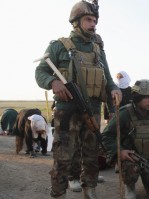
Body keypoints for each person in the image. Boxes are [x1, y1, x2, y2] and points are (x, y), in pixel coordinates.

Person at [35, 1, 122, 198]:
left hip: (92, 109)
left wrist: (115, 89)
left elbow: (107, 77)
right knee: (63, 157)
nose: (93, 24)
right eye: (88, 20)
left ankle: (89, 191)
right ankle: (59, 193)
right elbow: (40, 71)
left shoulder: (98, 48)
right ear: (76, 22)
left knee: (92, 156)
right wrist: (52, 82)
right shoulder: (59, 46)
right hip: (67, 111)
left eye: (94, 20)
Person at [102, 79, 149, 199]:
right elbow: (107, 136)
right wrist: (119, 152)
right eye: (146, 97)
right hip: (132, 159)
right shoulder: (124, 113)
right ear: (137, 97)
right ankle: (130, 186)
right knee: (130, 169)